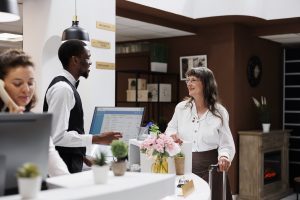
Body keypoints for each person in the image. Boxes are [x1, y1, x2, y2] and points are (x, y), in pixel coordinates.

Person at [43, 39, 122, 173]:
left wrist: (83, 157)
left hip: (72, 162)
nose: (90, 63)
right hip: (63, 169)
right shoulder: (63, 89)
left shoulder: (67, 87)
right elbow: (57, 137)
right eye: (88, 58)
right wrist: (98, 138)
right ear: (75, 60)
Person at [165, 67, 235, 200]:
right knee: (184, 197)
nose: (188, 83)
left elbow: (226, 143)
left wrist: (225, 157)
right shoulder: (181, 108)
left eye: (193, 80)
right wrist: (172, 136)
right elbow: (170, 129)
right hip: (186, 169)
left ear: (206, 84)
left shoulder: (220, 112)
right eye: (187, 80)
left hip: (213, 169)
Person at [0, 49, 70, 177]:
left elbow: (57, 168)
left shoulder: (35, 122)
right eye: (17, 83)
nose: (26, 89)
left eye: (30, 83)